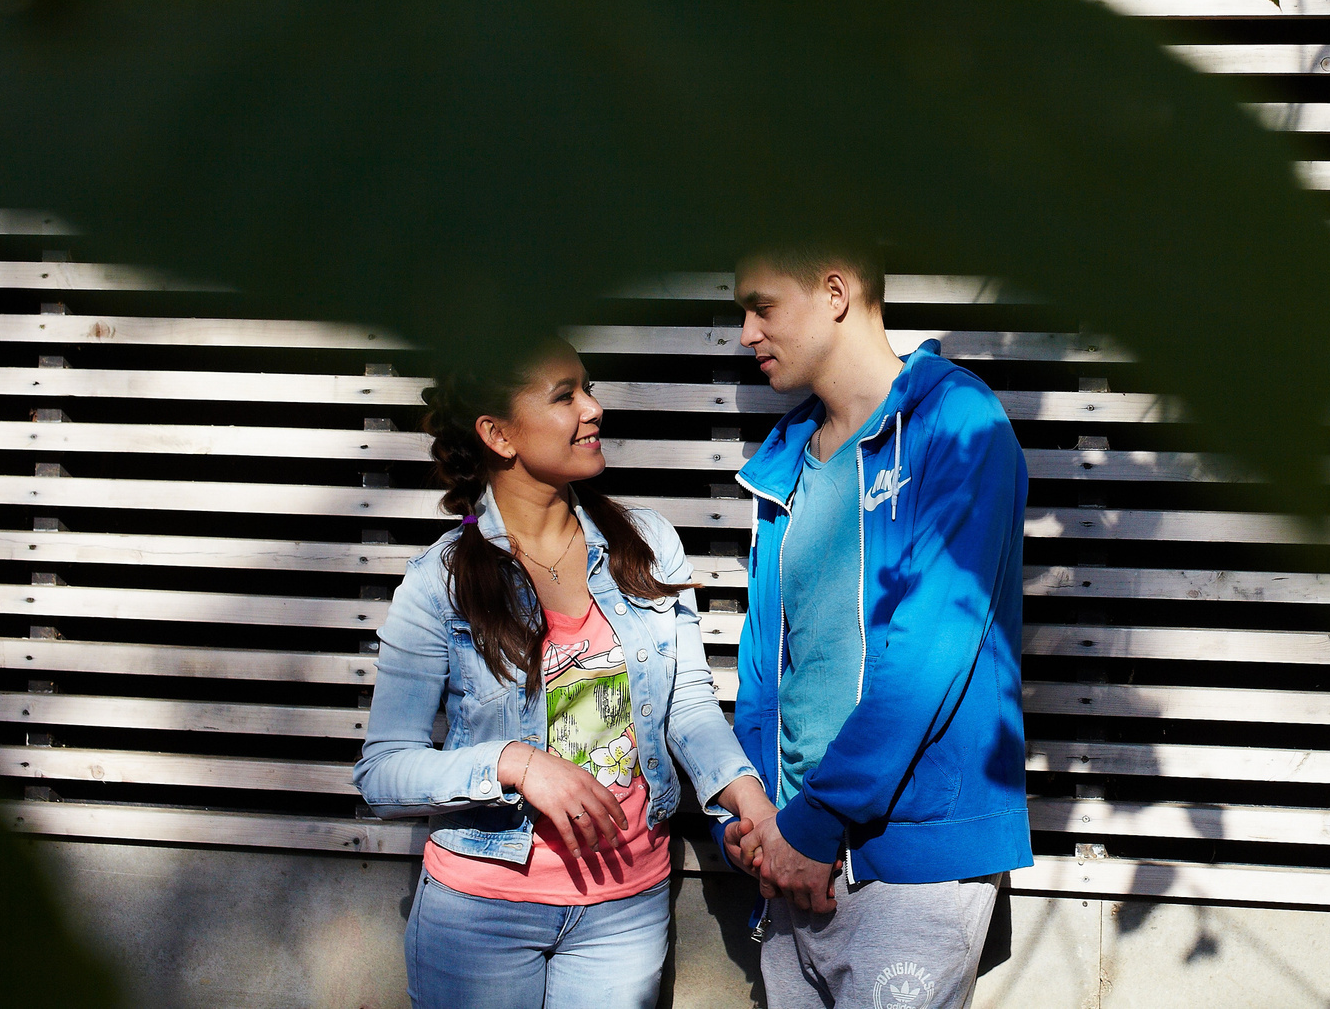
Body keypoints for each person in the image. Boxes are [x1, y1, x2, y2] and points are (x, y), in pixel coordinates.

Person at [356, 336, 781, 1009]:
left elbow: (690, 709)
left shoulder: (647, 543)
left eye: (588, 387)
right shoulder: (438, 581)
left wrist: (749, 800)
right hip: (482, 911)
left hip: (624, 910)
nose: (595, 408)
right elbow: (381, 770)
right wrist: (516, 762)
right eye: (565, 396)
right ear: (498, 434)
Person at [710, 242, 1031, 1009]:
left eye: (762, 306)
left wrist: (814, 823)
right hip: (787, 859)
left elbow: (930, 652)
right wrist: (750, 817)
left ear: (834, 290)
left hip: (907, 865)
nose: (746, 333)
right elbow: (765, 672)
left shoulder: (955, 420)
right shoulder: (784, 459)